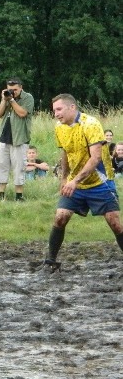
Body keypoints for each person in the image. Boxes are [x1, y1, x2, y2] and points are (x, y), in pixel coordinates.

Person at [43, 94, 123, 270]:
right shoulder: (59, 127)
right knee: (60, 217)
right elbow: (65, 152)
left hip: (99, 181)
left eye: (59, 109)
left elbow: (95, 159)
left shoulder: (91, 124)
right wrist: (65, 178)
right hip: (75, 182)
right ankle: (51, 260)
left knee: (114, 222)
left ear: (72, 108)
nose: (55, 113)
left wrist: (75, 181)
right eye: (54, 110)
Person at [0, 77, 33, 201]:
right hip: (4, 137)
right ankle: (1, 195)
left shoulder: (28, 98)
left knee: (19, 167)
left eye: (15, 89)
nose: (13, 92)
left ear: (21, 87)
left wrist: (12, 101)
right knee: (1, 165)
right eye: (10, 89)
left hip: (20, 138)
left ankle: (19, 196)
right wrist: (3, 100)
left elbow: (22, 113)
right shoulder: (7, 97)